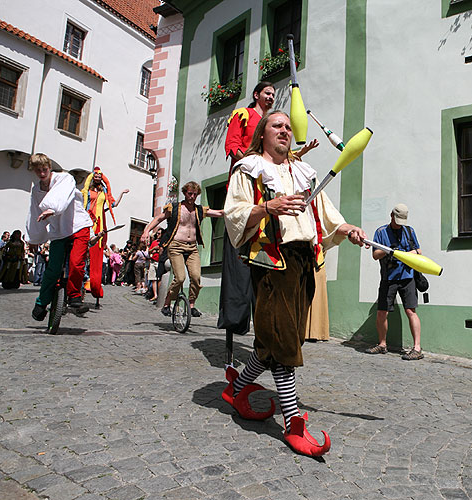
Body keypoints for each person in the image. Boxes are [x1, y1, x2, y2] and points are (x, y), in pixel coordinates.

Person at [222, 111, 367, 457]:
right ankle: (292, 422)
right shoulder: (249, 168)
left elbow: (323, 211)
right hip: (272, 260)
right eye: (277, 125)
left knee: (277, 338)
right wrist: (266, 207)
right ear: (262, 135)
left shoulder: (304, 172)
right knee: (284, 337)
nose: (285, 130)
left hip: (305, 260)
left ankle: (237, 389)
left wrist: (348, 229)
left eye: (288, 126)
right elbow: (233, 214)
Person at [219, 81, 318, 337]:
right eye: (267, 93)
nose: (271, 97)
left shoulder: (281, 134)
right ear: (256, 95)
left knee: (289, 329)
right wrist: (255, 169)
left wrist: (295, 155)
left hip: (294, 245)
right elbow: (233, 146)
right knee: (278, 332)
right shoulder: (243, 115)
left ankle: (252, 368)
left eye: (274, 94)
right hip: (253, 196)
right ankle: (238, 322)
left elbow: (281, 156)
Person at [141, 182, 224, 317]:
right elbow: (158, 218)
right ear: (185, 193)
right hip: (176, 246)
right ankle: (167, 303)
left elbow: (220, 213)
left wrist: (240, 210)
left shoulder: (199, 210)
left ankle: (191, 306)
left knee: (196, 277)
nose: (192, 197)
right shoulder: (174, 208)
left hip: (192, 247)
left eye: (195, 194)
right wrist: (146, 231)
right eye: (190, 194)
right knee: (179, 278)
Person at [26, 153, 93, 319]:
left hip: (78, 226)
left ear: (49, 167)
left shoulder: (65, 179)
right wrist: (34, 238)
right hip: (58, 231)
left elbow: (61, 197)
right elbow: (34, 213)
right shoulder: (36, 190)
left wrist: (51, 208)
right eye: (38, 170)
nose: (42, 173)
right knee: (53, 269)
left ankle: (75, 296)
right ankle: (41, 302)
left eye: (44, 169)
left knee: (76, 263)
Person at [367, 204, 424, 360]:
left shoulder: (409, 231)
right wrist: (390, 251)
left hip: (407, 277)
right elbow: (375, 254)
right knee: (381, 312)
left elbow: (419, 251)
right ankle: (382, 344)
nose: (399, 224)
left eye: (401, 221)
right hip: (388, 278)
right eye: (397, 220)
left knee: (411, 311)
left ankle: (417, 348)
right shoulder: (381, 232)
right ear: (391, 215)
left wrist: (412, 253)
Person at [81, 167, 128, 301]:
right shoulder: (86, 192)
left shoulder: (104, 192)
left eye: (100, 177)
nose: (97, 178)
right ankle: (79, 287)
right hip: (87, 221)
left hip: (100, 225)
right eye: (95, 176)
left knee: (96, 256)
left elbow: (114, 204)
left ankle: (94, 284)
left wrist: (121, 194)